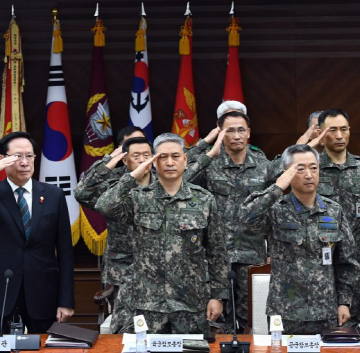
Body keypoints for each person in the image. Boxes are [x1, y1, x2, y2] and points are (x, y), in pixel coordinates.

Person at [96, 133, 229, 334]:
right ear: (154, 161)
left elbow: (217, 252)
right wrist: (133, 176)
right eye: (162, 157)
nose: (169, 162)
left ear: (185, 159)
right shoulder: (139, 198)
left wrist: (218, 296)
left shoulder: (204, 200)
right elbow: (104, 206)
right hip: (148, 303)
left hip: (189, 303)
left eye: (175, 156)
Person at [0, 131, 75, 334]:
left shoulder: (53, 195)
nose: (25, 162)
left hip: (43, 292)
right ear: (2, 159)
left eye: (30, 156)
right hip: (3, 289)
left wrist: (66, 300)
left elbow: (65, 251)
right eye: (18, 156)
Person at [240, 144, 359, 334]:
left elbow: (346, 262)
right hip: (285, 313)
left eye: (313, 168)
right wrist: (277, 187)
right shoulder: (276, 209)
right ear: (286, 172)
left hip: (325, 311)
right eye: (300, 169)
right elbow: (246, 218)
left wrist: (344, 302)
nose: (309, 175)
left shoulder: (333, 210)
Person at [184, 111, 278, 331]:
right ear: (220, 133)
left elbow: (274, 210)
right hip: (216, 257)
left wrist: (273, 250)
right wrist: (207, 149)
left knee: (254, 322)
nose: (236, 135)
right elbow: (180, 179)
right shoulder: (210, 163)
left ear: (248, 133)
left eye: (241, 130)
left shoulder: (264, 166)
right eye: (230, 130)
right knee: (216, 323)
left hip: (252, 255)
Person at [74, 129, 154, 302]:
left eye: (145, 152)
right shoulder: (112, 183)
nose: (141, 159)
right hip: (123, 269)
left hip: (158, 269)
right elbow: (82, 193)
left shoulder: (163, 181)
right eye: (133, 150)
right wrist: (109, 159)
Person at [308, 108, 360, 324]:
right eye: (333, 130)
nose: (339, 136)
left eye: (344, 129)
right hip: (324, 263)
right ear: (320, 132)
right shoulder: (312, 170)